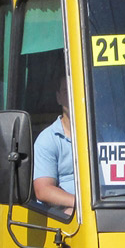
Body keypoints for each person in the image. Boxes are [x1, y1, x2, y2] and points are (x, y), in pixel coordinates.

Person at [33, 74, 77, 215]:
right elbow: (43, 190)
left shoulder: (109, 135)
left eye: (78, 89)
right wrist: (82, 204)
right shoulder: (48, 139)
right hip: (64, 215)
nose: (73, 96)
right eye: (66, 91)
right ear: (58, 98)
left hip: (108, 210)